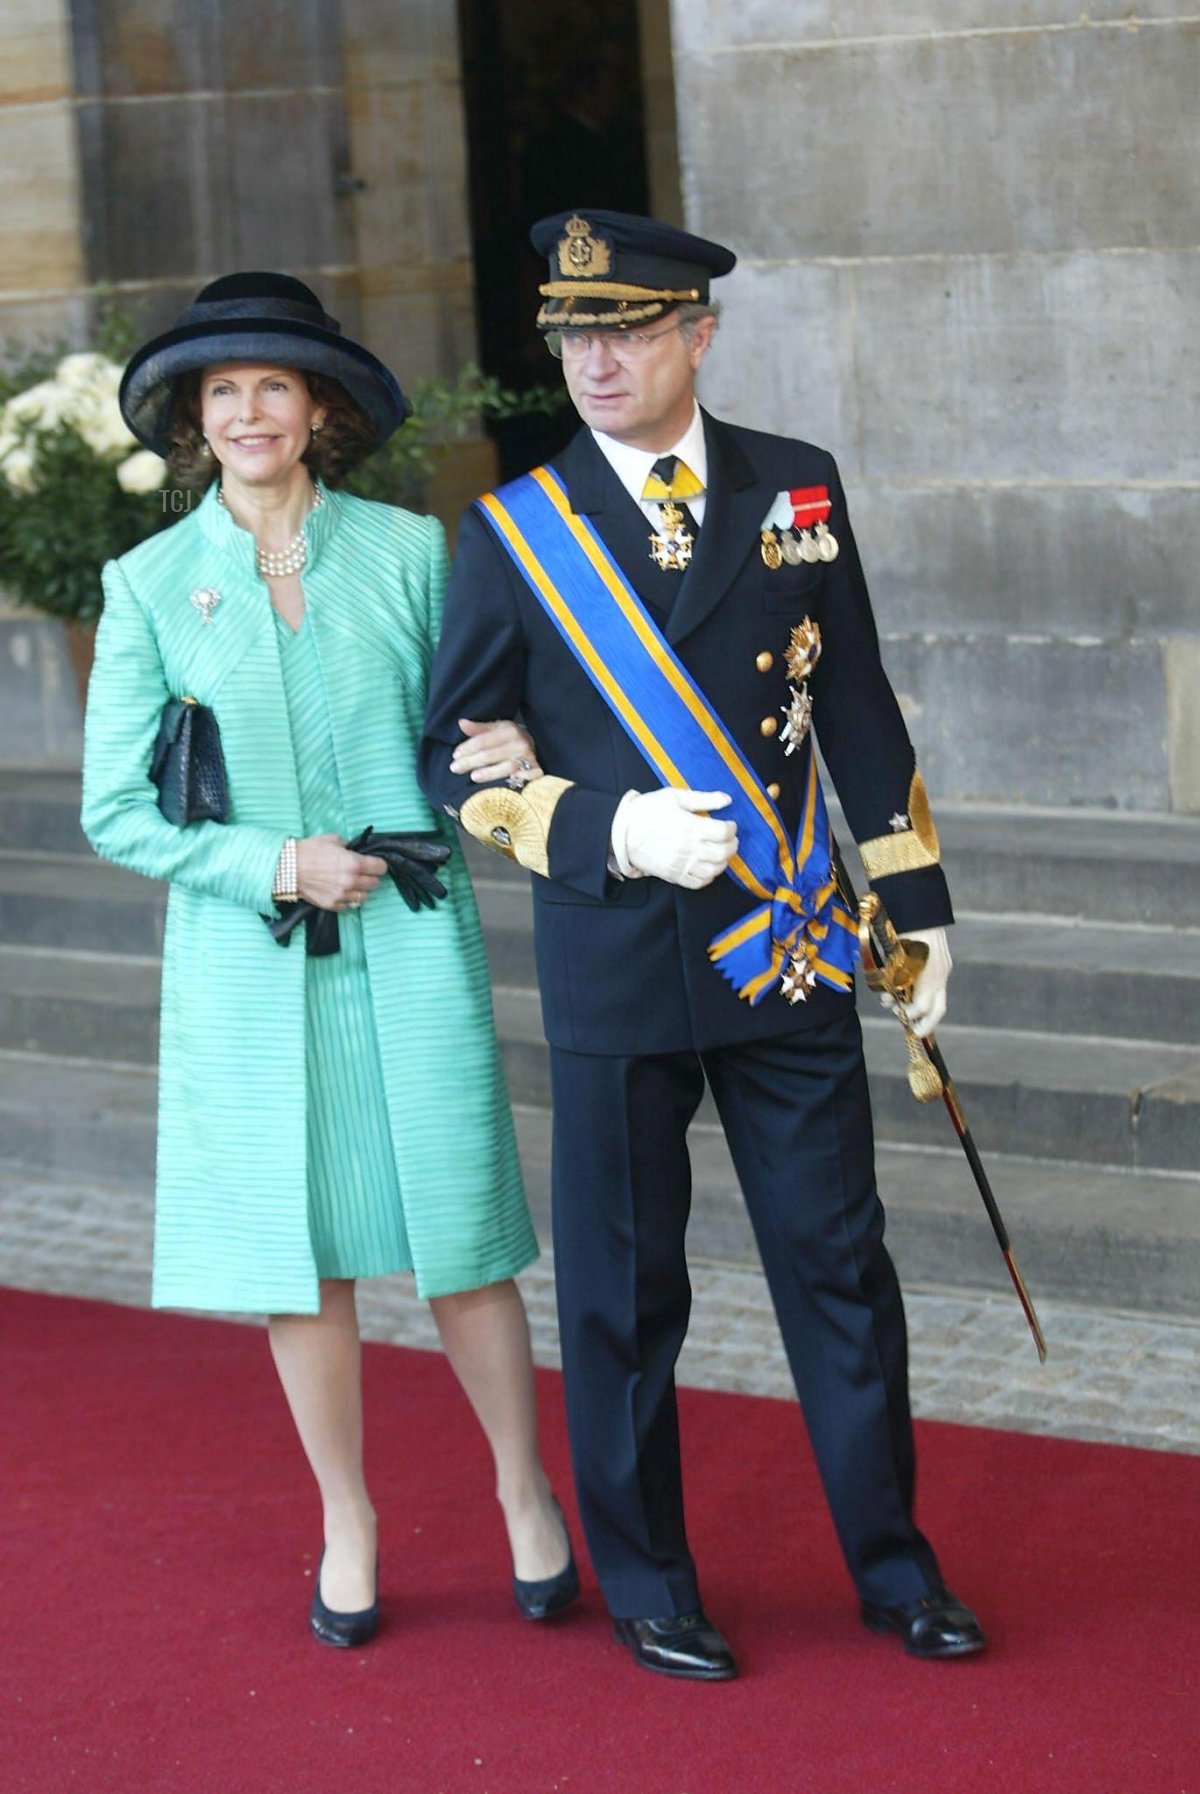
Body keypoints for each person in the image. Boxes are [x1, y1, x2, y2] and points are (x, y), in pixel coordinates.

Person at [419, 211, 985, 1680]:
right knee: (621, 1294)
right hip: (618, 961)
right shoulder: (512, 531)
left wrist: (917, 905)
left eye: (625, 330)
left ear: (698, 333)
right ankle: (651, 1582)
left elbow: (853, 698)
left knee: (840, 1267)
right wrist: (604, 823)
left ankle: (895, 1564)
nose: (594, 360)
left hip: (787, 947)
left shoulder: (795, 487)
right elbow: (448, 760)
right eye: (572, 336)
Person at [81, 272, 578, 1648]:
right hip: (251, 969)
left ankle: (524, 1491)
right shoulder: (147, 586)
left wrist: (512, 755)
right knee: (301, 1259)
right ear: (197, 417)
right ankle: (346, 1517)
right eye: (223, 390)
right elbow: (113, 808)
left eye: (274, 387)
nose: (249, 411)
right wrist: (272, 860)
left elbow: (481, 716)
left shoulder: (413, 555)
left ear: (319, 410)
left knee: (462, 1234)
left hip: (412, 941)